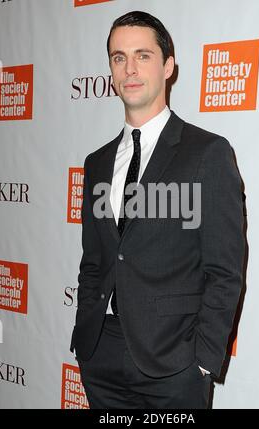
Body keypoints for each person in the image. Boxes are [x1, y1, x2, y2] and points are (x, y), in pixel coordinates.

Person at [70, 10, 245, 409]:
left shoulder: (207, 153)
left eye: (143, 55)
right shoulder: (97, 162)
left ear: (168, 66)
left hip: (174, 364)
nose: (129, 68)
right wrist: (86, 339)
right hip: (101, 355)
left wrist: (202, 362)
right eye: (118, 57)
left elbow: (225, 270)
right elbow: (95, 260)